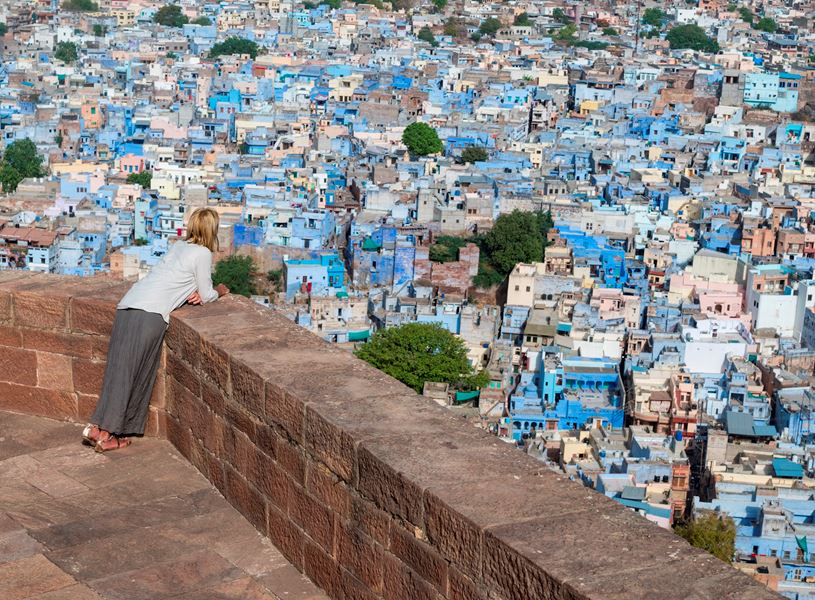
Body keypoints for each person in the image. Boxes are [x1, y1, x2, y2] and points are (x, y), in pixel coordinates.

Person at [82, 207, 229, 452]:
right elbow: (207, 294)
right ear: (212, 230)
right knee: (134, 374)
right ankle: (109, 436)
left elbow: (177, 280)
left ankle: (98, 427)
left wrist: (192, 291)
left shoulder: (178, 246)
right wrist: (220, 291)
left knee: (118, 371)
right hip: (150, 314)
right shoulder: (203, 253)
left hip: (129, 305)